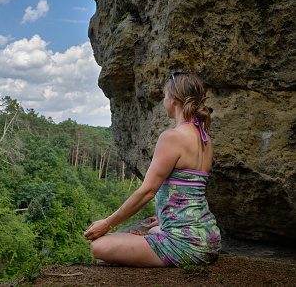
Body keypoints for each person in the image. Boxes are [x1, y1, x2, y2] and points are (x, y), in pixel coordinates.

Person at [84, 72, 221, 267]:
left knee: (99, 247)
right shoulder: (205, 138)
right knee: (155, 231)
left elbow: (148, 191)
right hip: (209, 237)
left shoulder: (172, 137)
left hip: (187, 244)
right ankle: (164, 230)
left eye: (165, 96)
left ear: (174, 100)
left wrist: (107, 223)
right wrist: (168, 215)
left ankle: (166, 238)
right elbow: (190, 191)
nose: (164, 100)